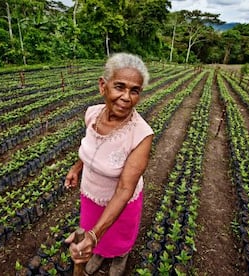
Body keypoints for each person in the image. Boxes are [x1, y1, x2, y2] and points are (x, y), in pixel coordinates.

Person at [64, 52, 154, 275]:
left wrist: (93, 235)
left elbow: (125, 189)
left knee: (118, 236)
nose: (126, 97)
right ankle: (100, 252)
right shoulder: (92, 114)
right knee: (93, 230)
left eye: (134, 91)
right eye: (119, 87)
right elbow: (90, 146)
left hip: (121, 202)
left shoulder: (141, 135)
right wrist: (77, 168)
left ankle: (120, 258)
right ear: (103, 86)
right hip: (91, 194)